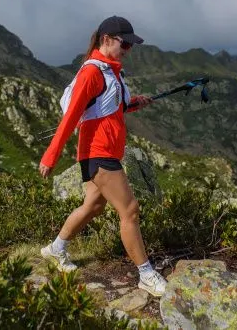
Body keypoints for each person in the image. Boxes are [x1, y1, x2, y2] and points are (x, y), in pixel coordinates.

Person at [38, 15, 168, 297]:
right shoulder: (92, 73)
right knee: (130, 209)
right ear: (106, 39)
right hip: (98, 153)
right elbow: (71, 117)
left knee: (94, 207)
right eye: (125, 44)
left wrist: (133, 104)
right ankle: (145, 274)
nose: (128, 50)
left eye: (132, 46)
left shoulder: (112, 72)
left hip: (105, 151)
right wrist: (51, 156)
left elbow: (106, 110)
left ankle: (55, 249)